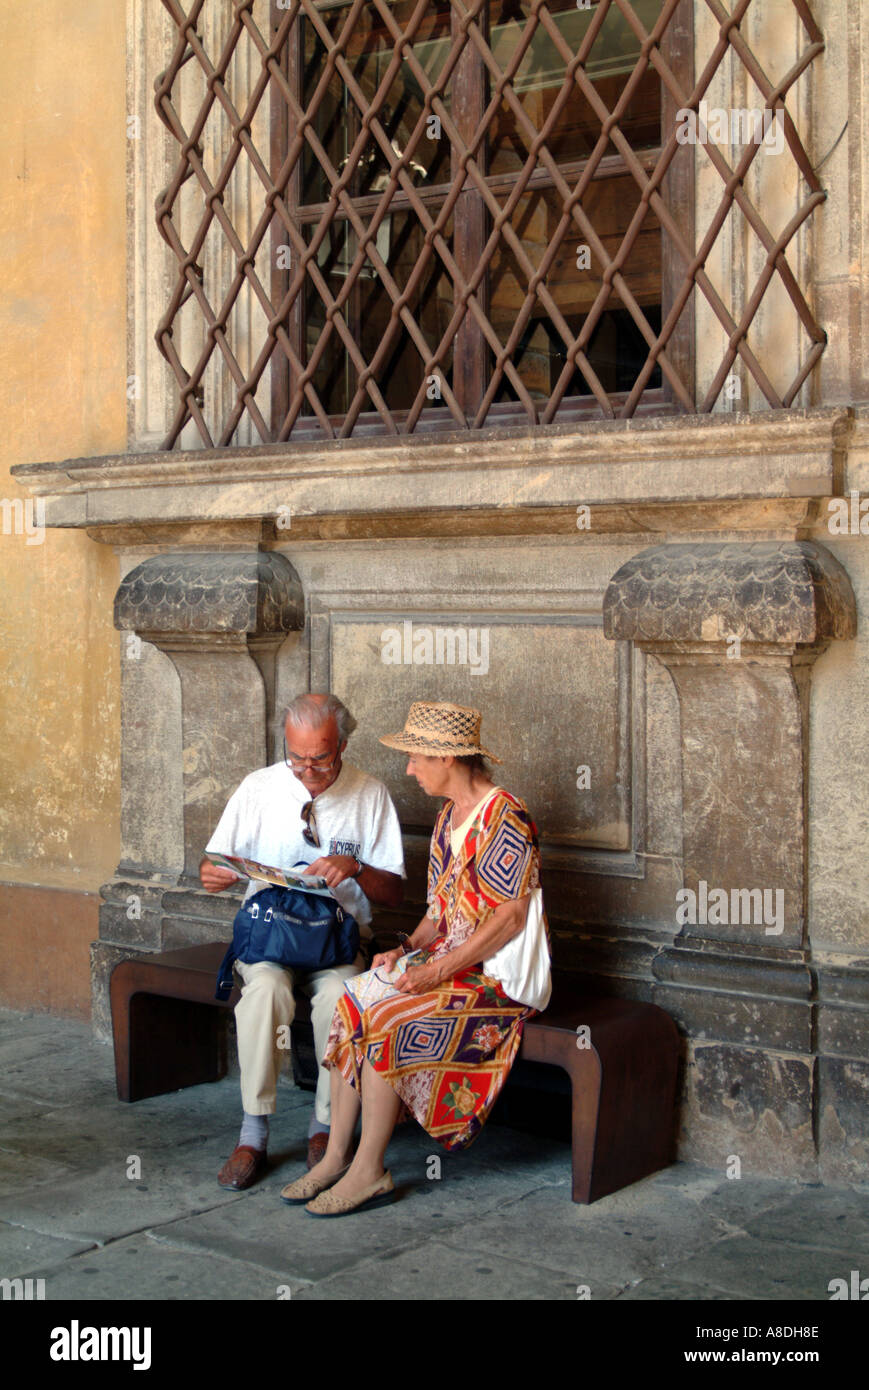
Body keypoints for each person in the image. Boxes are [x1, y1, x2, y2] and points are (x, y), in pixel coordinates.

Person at [279, 699, 551, 1217]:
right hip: (451, 960)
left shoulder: (505, 817)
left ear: (447, 758)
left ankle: (370, 1170)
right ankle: (336, 1155)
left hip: (496, 978)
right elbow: (439, 913)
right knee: (353, 1000)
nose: (408, 768)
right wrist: (404, 951)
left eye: (415, 758)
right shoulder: (451, 815)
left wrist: (436, 971)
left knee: (387, 1019)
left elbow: (510, 919)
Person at [200, 693, 405, 1190]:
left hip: (337, 943)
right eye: (297, 757)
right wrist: (215, 874)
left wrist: (354, 868)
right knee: (264, 994)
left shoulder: (369, 792)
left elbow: (395, 888)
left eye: (321, 757)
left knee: (340, 998)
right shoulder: (260, 787)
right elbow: (214, 861)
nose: (308, 769)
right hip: (269, 937)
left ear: (344, 745)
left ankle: (325, 1129)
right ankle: (253, 1132)